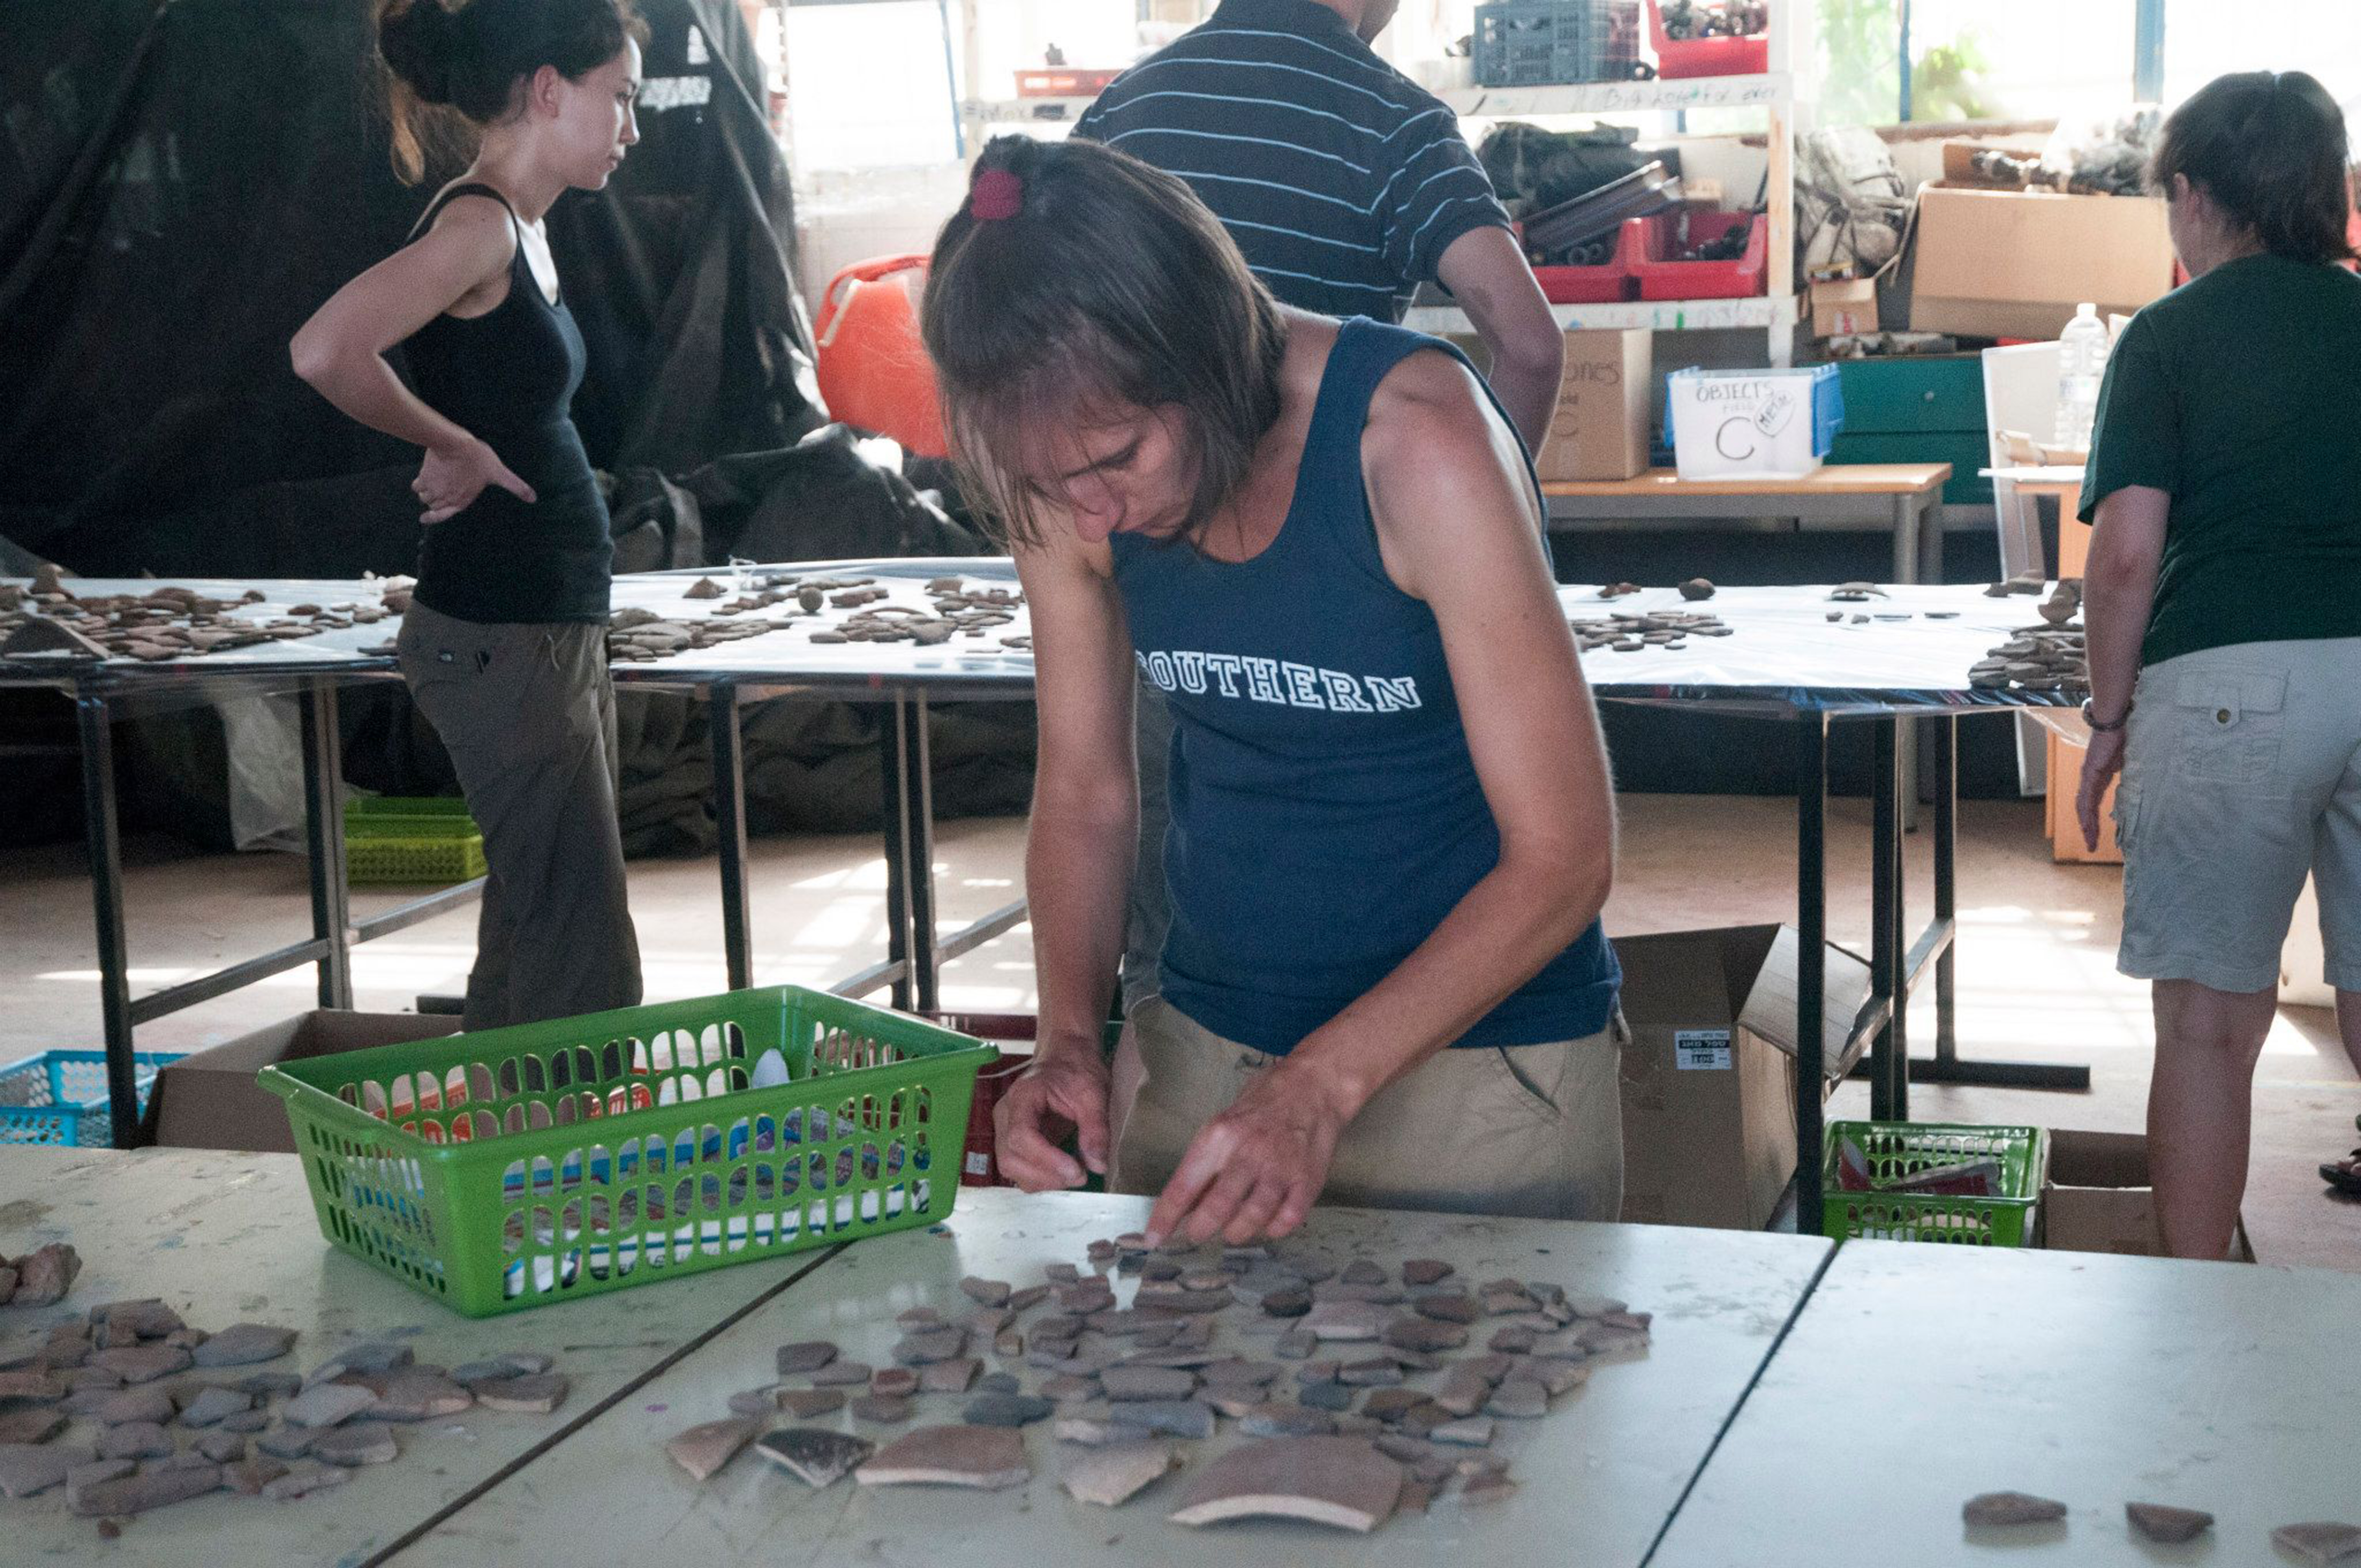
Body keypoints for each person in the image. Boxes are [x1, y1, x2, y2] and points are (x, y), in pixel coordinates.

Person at [924, 138, 1621, 1248]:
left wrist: (1319, 1088)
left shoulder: (1415, 442)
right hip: (1213, 1048)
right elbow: (1088, 793)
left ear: (1201, 359)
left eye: (1117, 460)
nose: (1089, 516)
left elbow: (1567, 855)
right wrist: (1065, 1036)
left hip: (1483, 1072)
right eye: (1049, 486)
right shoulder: (1065, 464)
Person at [1071, 0, 1567, 1025]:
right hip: (1352, 611)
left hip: (1164, 600)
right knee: (1385, 913)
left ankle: (1172, 1132)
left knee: (1173, 946)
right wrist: (1476, 548)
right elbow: (1527, 341)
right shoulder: (1389, 117)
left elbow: (1057, 330)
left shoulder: (1124, 112)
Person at [291, 0, 646, 1030]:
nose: (632, 128)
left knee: (538, 924)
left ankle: (514, 1169)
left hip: (546, 621)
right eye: (618, 99)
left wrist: (458, 433)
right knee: (581, 947)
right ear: (548, 91)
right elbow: (325, 350)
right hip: (501, 633)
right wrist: (444, 440)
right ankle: (577, 1181)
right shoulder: (479, 223)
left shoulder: (524, 227)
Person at [2074, 69, 2361, 1259]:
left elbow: (2125, 560)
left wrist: (2105, 714)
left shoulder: (2169, 336)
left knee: (2205, 1024)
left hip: (2231, 685)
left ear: (2192, 197)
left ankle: (2197, 1310)